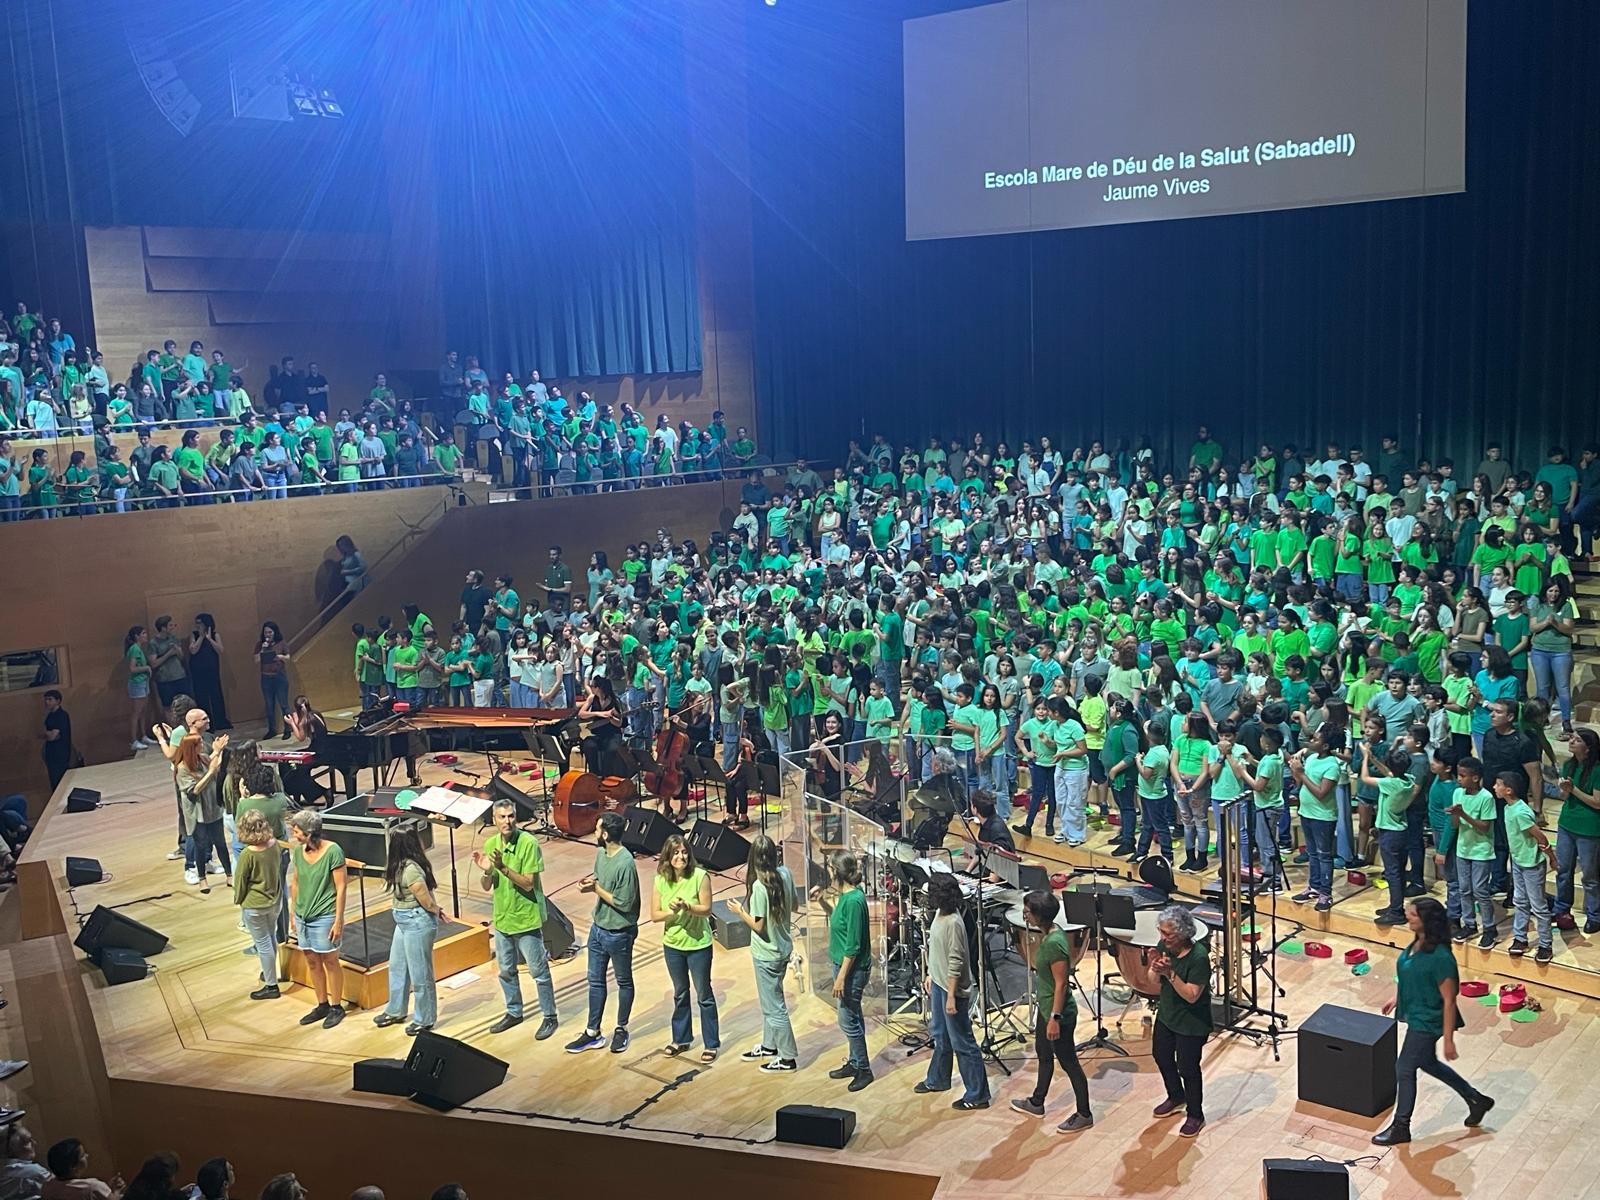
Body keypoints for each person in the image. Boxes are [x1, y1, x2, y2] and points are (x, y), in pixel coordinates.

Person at [1372, 896, 1495, 1144]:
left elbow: (1449, 1001)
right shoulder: (1417, 942)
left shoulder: (1441, 958)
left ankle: (1401, 1126)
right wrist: (1397, 997)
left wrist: (1449, 1040)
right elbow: (1411, 973)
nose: (1407, 917)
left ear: (1427, 920)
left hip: (1430, 1020)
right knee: (1427, 1062)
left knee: (1404, 1068)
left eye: (1412, 915)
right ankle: (1476, 1099)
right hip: (1416, 1012)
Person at [474, 799, 559, 1039]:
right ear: (494, 820)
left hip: (525, 918)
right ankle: (514, 1012)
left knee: (539, 972)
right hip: (502, 919)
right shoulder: (491, 843)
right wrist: (487, 871)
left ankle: (549, 1016)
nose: (507, 821)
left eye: (511, 816)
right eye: (502, 817)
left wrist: (502, 867)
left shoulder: (529, 843)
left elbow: (529, 883)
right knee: (506, 971)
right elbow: (487, 885)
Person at [1010, 888, 1092, 1131]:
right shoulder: (1049, 935)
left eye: (1028, 911)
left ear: (1040, 915)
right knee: (1044, 1055)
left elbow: (1061, 983)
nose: (1024, 915)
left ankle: (1084, 1113)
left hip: (1058, 1014)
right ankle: (1037, 1102)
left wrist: (1055, 1018)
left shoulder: (1055, 943)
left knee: (1069, 1062)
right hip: (1047, 1009)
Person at [914, 872, 989, 1109]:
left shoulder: (954, 923)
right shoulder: (940, 913)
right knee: (940, 1034)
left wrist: (950, 997)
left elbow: (956, 961)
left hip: (952, 991)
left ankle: (978, 1095)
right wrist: (930, 974)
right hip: (939, 983)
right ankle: (938, 1079)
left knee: (962, 1042)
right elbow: (937, 949)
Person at [567, 811, 640, 1054]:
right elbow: (599, 881)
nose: (595, 832)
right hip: (598, 928)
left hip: (619, 933)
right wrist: (589, 885)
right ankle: (592, 1032)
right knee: (595, 981)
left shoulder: (626, 863)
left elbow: (624, 903)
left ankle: (621, 1028)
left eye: (598, 829)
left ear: (606, 835)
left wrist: (596, 890)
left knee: (623, 981)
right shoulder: (601, 853)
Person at [726, 835, 799, 1073]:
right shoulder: (785, 874)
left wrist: (740, 911)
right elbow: (795, 905)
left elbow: (758, 927)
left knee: (774, 1007)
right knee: (770, 1002)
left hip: (767, 955)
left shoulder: (759, 887)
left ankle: (787, 1058)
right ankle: (770, 1046)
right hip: (782, 949)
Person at [373, 820, 446, 1035]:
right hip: (403, 921)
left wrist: (437, 910)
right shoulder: (399, 865)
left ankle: (425, 1018)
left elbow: (426, 901)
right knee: (397, 966)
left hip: (417, 922)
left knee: (420, 974)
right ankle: (396, 1010)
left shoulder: (412, 870)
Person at [651, 834, 719, 1061]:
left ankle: (711, 1043)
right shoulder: (661, 880)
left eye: (684, 852)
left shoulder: (700, 876)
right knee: (680, 993)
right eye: (676, 853)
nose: (681, 857)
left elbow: (707, 909)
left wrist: (687, 906)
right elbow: (654, 915)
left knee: (704, 994)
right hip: (673, 945)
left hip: (698, 945)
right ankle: (681, 1039)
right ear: (667, 856)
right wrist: (671, 912)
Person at [812, 850, 873, 1090]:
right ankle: (855, 1062)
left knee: (847, 1020)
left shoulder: (855, 901)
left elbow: (853, 945)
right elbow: (840, 923)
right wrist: (822, 902)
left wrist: (840, 979)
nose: (827, 871)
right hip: (842, 966)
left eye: (829, 868)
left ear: (836, 872)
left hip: (852, 971)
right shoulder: (845, 897)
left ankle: (864, 1069)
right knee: (852, 1015)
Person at [1149, 904, 1211, 1138]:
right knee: (1161, 1056)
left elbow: (1192, 995)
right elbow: (1152, 981)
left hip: (1192, 1022)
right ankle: (1176, 1096)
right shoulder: (1164, 947)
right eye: (1161, 931)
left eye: (1168, 934)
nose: (1163, 937)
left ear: (1183, 933)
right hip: (1167, 1015)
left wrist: (1170, 973)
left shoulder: (1198, 957)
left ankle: (1196, 1114)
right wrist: (1155, 968)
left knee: (1188, 1068)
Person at [287, 809, 349, 1028]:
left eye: (296, 831)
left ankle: (336, 1006)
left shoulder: (333, 851)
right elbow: (296, 882)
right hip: (303, 915)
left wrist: (338, 920)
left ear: (309, 832)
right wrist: (293, 913)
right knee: (312, 960)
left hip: (325, 915)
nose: (294, 834)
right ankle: (322, 1004)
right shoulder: (298, 851)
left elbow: (341, 887)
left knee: (330, 961)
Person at [232, 808, 283, 1001]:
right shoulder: (275, 844)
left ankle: (271, 985)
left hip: (255, 904)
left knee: (263, 944)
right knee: (270, 938)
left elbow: (240, 881)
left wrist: (238, 900)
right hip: (274, 901)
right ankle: (270, 973)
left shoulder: (248, 854)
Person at [175, 731, 231, 887]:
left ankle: (229, 875)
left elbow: (213, 763)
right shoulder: (182, 769)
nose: (202, 745)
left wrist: (218, 750)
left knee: (220, 843)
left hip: (213, 809)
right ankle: (202, 879)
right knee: (200, 845)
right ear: (191, 748)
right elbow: (194, 790)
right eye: (199, 743)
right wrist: (211, 771)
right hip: (197, 814)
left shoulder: (202, 758)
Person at [39, 1138, 123, 1199]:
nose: (87, 1155)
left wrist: (106, 1190)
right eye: (82, 1155)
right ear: (73, 1166)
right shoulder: (92, 1187)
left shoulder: (47, 1187)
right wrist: (116, 1190)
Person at [188, 614, 230, 731]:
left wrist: (209, 638)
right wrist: (201, 637)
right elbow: (193, 650)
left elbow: (220, 650)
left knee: (216, 695)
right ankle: (206, 724)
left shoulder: (215, 635)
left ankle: (220, 721)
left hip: (212, 670)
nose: (197, 625)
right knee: (201, 697)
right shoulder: (194, 635)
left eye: (200, 623)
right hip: (198, 671)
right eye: (196, 623)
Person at [257, 622, 291, 740]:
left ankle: (288, 729)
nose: (268, 634)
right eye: (266, 632)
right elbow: (256, 660)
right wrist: (262, 649)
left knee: (284, 705)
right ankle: (272, 730)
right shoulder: (260, 644)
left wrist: (280, 657)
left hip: (279, 677)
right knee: (269, 706)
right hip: (266, 678)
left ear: (275, 632)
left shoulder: (281, 643)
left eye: (270, 632)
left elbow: (288, 658)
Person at [125, 625, 155, 752]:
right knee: (136, 712)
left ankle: (143, 736)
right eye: (143, 633)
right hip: (137, 683)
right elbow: (132, 668)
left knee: (143, 711)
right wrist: (146, 668)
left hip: (143, 682)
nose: (146, 635)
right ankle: (133, 740)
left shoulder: (139, 649)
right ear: (137, 636)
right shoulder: (134, 649)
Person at [0, 1125, 50, 1200]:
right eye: (28, 1141)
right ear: (12, 1148)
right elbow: (61, 1189)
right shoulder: (32, 1172)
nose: (34, 1143)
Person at [40, 690, 72, 792]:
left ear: (58, 701)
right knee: (54, 782)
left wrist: (47, 734)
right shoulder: (50, 715)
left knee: (60, 781)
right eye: (46, 700)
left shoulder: (61, 715)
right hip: (51, 753)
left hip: (60, 753)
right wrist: (47, 734)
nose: (47, 702)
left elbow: (52, 736)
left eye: (50, 699)